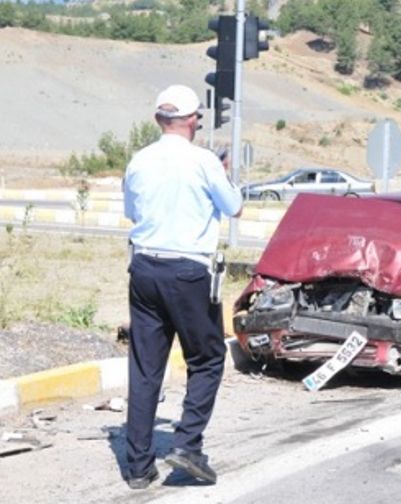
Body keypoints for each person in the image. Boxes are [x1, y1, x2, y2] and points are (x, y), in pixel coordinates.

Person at [122, 84, 243, 489]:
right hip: (189, 272)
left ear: (159, 119)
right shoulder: (205, 161)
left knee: (144, 367)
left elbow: (130, 212)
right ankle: (187, 445)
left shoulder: (138, 161)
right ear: (192, 120)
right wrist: (222, 175)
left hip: (143, 268)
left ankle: (138, 467)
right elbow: (234, 207)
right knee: (207, 358)